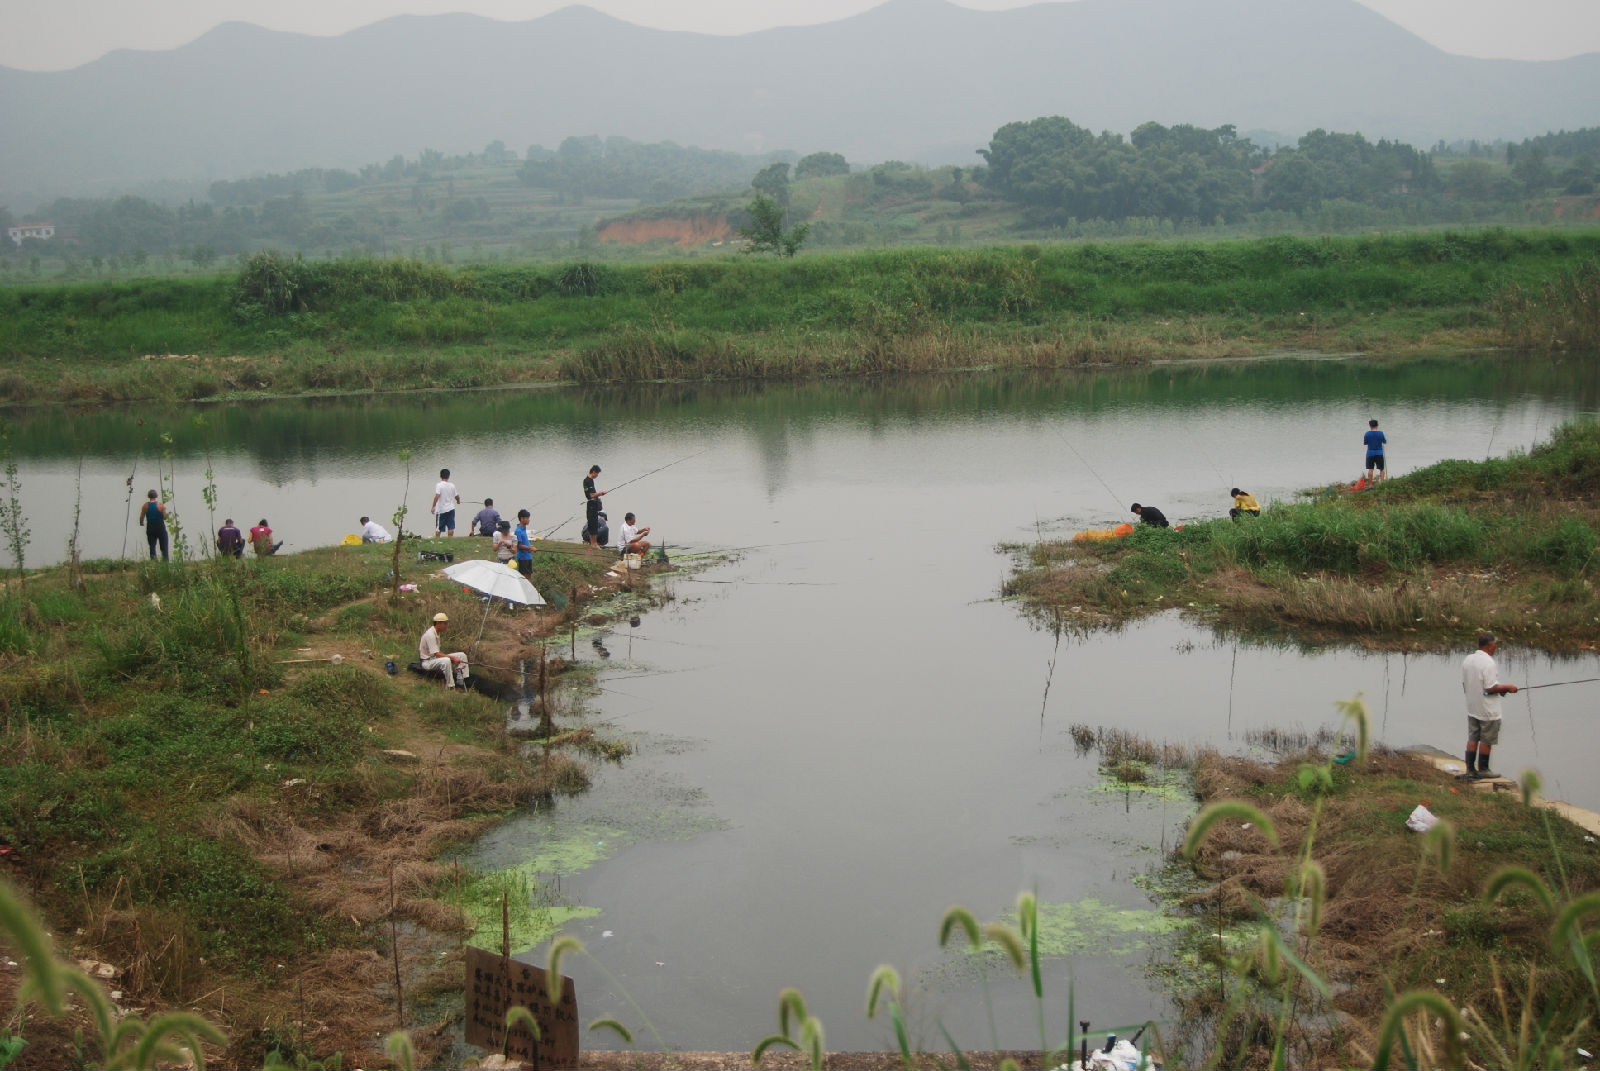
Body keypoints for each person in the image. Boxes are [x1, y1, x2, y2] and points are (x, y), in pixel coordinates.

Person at [1461, 631, 1517, 779]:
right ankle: (1484, 770)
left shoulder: (1468, 659)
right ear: (1489, 646)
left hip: (1472, 707)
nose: (1496, 648)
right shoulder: (1488, 663)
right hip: (1488, 711)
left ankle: (1470, 769)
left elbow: (1466, 684)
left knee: (1473, 738)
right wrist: (1508, 687)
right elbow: (1490, 688)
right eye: (1495, 645)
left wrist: (1500, 690)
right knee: (1486, 740)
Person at [419, 612, 470, 689]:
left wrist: (451, 657)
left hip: (434, 659)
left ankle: (461, 682)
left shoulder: (437, 633)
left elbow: (438, 652)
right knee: (446, 660)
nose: (446, 625)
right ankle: (451, 686)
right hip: (427, 662)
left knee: (462, 655)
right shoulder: (430, 634)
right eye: (445, 623)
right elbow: (436, 654)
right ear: (438, 623)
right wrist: (452, 658)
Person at [138, 489, 169, 562]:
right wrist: (164, 510)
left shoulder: (145, 505)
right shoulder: (160, 505)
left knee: (152, 545)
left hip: (150, 526)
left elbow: (142, 516)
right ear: (156, 496)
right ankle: (165, 561)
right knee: (164, 544)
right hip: (160, 526)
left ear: (149, 496)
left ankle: (154, 562)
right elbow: (165, 517)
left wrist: (141, 523)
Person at [582, 465, 607, 547]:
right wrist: (601, 493)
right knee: (592, 524)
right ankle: (594, 543)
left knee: (593, 524)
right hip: (591, 505)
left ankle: (594, 543)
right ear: (593, 472)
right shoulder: (588, 481)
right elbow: (591, 495)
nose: (597, 475)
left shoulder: (589, 480)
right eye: (597, 474)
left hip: (592, 505)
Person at [432, 468, 460, 538]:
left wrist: (433, 506)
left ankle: (437, 540)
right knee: (451, 527)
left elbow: (437, 496)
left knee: (438, 528)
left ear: (440, 476)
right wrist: (458, 501)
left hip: (441, 510)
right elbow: (457, 496)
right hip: (451, 509)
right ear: (448, 476)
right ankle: (450, 540)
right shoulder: (452, 485)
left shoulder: (439, 485)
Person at [513, 509, 538, 578]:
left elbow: (524, 542)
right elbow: (519, 546)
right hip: (523, 558)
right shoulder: (518, 531)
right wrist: (530, 548)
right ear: (522, 519)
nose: (528, 520)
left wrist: (530, 546)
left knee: (529, 576)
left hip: (528, 556)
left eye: (528, 518)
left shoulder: (523, 528)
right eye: (527, 518)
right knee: (524, 577)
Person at [1363, 419, 1387, 483]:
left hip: (1370, 453)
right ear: (1377, 425)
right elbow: (1385, 442)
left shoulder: (1367, 434)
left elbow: (1365, 443)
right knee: (1381, 469)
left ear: (1370, 426)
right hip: (1379, 453)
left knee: (1371, 469)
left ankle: (1370, 484)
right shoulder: (1381, 433)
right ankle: (1382, 483)